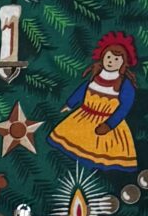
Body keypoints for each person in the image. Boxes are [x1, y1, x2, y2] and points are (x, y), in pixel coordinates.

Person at [50, 30, 140, 170]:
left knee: (100, 156)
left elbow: (124, 107)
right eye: (108, 57)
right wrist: (70, 104)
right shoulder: (96, 76)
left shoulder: (124, 84)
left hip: (107, 123)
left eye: (116, 59)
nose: (111, 62)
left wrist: (109, 125)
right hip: (83, 118)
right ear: (103, 57)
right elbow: (83, 90)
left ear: (123, 63)